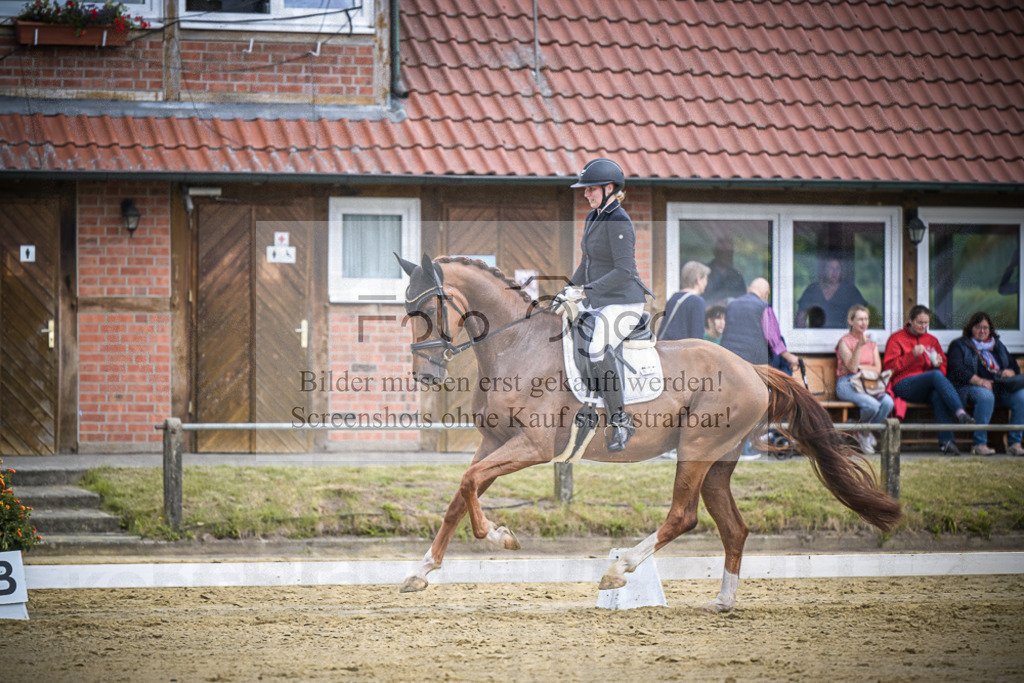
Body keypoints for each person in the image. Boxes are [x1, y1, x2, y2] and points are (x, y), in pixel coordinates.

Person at [557, 158, 652, 452]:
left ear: (609, 188)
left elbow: (624, 271)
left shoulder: (619, 220)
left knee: (597, 346)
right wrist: (566, 290)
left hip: (625, 302)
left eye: (591, 189)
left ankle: (620, 420)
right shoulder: (593, 217)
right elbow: (587, 263)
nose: (586, 194)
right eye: (584, 190)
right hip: (599, 300)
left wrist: (585, 291)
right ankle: (586, 403)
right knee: (568, 332)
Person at [721, 278, 799, 459]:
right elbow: (774, 340)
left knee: (732, 406)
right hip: (752, 364)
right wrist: (790, 358)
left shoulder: (732, 305)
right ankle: (745, 449)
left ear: (749, 289)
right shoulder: (763, 306)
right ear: (765, 293)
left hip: (727, 363)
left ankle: (728, 448)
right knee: (751, 405)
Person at [883, 305, 974, 455]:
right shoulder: (896, 338)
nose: (924, 326)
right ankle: (960, 413)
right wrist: (911, 355)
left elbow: (943, 368)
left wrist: (938, 365)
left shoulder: (932, 340)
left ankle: (947, 443)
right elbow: (889, 368)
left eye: (926, 323)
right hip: (902, 385)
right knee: (934, 376)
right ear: (910, 320)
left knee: (938, 395)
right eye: (920, 322)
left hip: (925, 388)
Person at [946, 312, 1024, 456]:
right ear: (971, 329)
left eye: (985, 328)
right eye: (978, 327)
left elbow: (1015, 367)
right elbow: (956, 370)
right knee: (986, 396)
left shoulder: (997, 345)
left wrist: (1010, 372)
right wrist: (979, 381)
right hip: (970, 387)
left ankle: (1015, 443)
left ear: (990, 330)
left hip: (1000, 387)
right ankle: (979, 444)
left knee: (1021, 396)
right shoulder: (959, 345)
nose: (982, 331)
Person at [835, 304, 894, 454]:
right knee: (872, 405)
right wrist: (860, 346)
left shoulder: (872, 342)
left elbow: (877, 369)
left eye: (866, 319)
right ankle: (865, 433)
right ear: (850, 321)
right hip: (847, 383)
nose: (864, 323)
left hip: (868, 383)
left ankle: (864, 432)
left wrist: (862, 368)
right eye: (860, 319)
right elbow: (853, 369)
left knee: (888, 402)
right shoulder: (844, 342)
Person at [795, 257, 868, 328]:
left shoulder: (850, 291)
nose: (835, 272)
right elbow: (800, 318)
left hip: (844, 337)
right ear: (824, 270)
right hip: (816, 337)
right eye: (831, 268)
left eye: (838, 268)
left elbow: (862, 316)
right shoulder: (812, 290)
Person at [660, 261, 709, 340]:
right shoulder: (697, 301)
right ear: (699, 280)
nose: (707, 283)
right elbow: (697, 338)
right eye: (706, 279)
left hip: (668, 349)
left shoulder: (674, 298)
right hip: (684, 351)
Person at [703, 236, 746, 307]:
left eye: (730, 252)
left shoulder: (737, 277)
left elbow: (743, 301)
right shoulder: (704, 274)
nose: (728, 256)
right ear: (715, 253)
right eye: (724, 252)